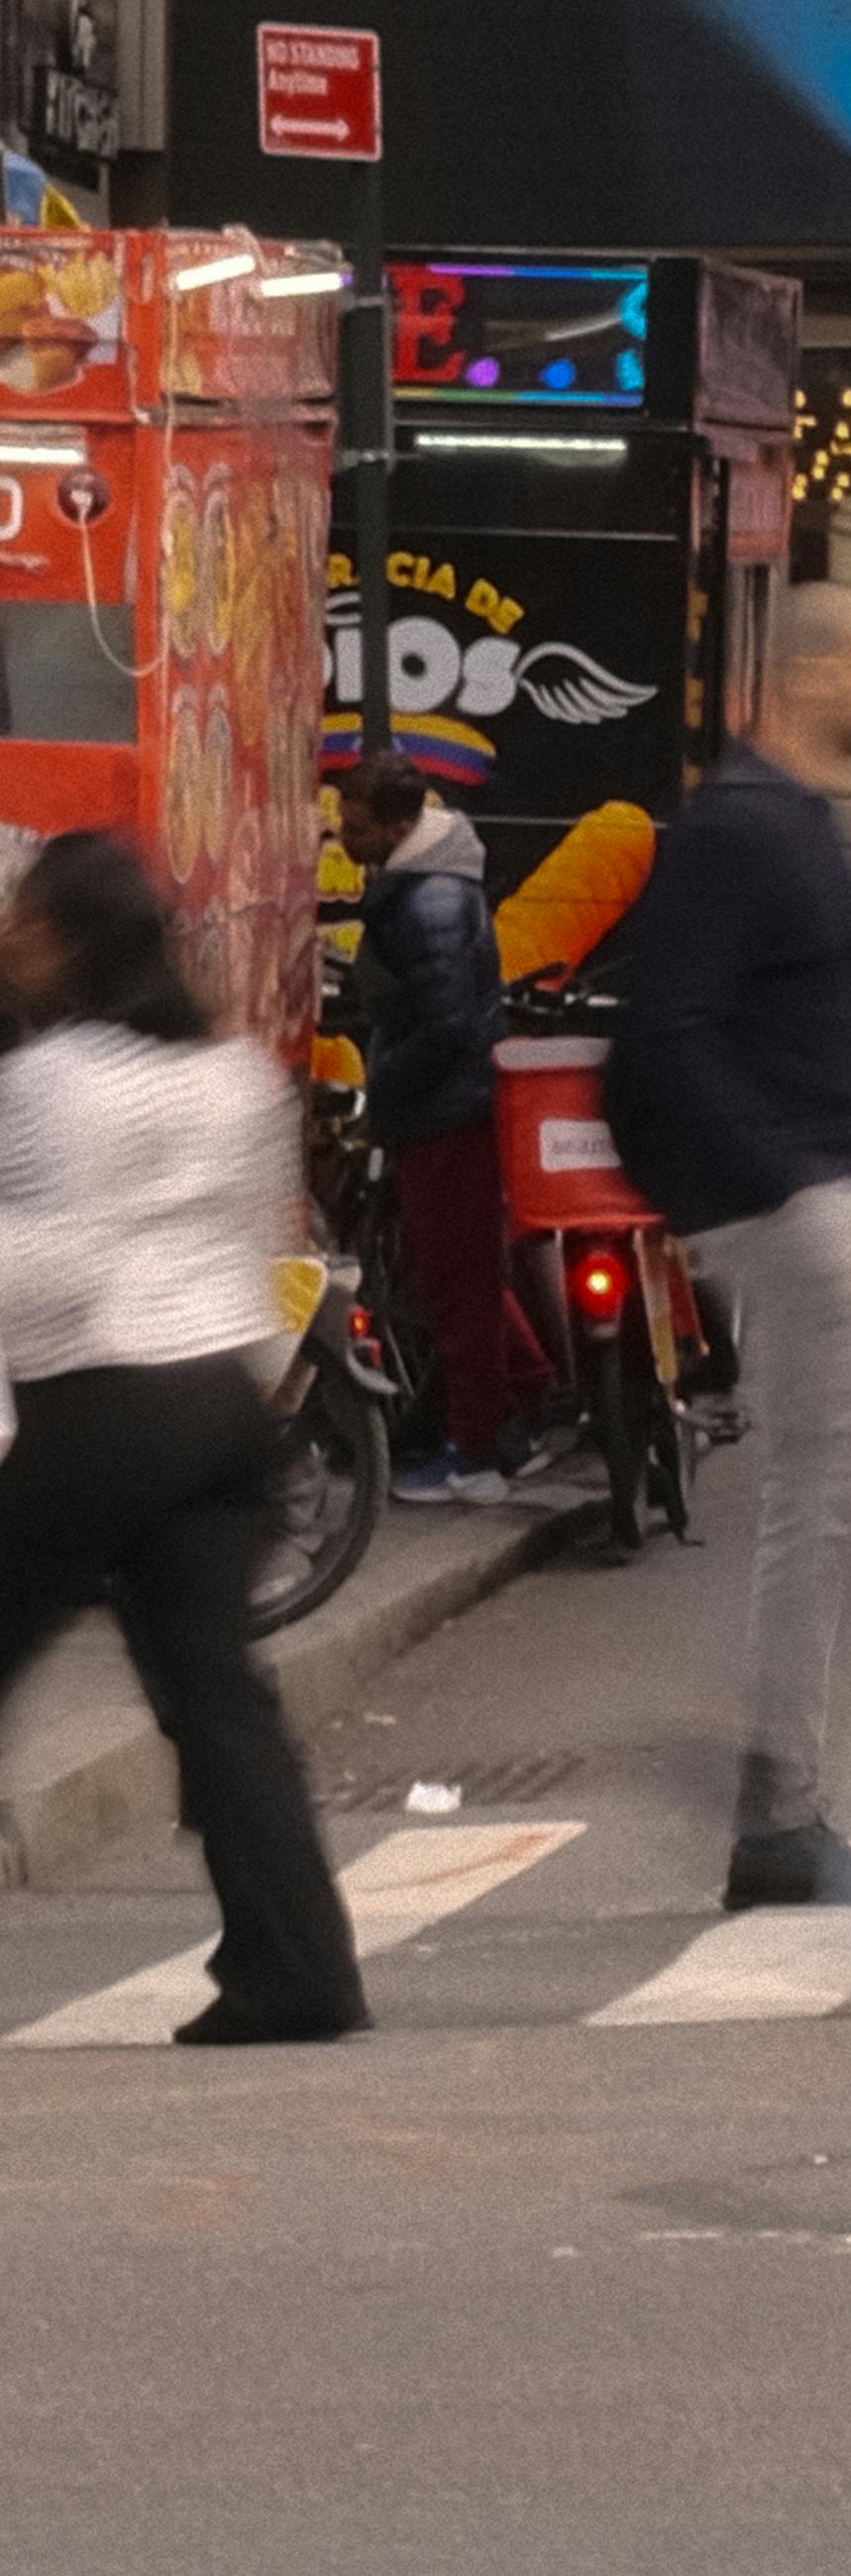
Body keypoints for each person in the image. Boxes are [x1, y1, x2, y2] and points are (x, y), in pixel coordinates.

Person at [605, 590, 851, 1910]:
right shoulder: (741, 827)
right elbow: (668, 1036)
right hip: (793, 1206)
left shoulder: (809, 818)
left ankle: (777, 1808)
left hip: (827, 1196)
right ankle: (764, 1760)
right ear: (806, 674)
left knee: (829, 1495)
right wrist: (799, 1201)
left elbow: (804, 1036)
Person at [0, 833, 370, 2045]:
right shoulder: (234, 1075)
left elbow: (41, 1265)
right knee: (218, 1698)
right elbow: (255, 1249)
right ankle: (296, 1969)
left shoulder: (51, 1079)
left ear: (64, 939)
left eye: (25, 919)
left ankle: (289, 1968)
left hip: (104, 1405)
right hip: (222, 1406)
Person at [333, 758, 555, 1506]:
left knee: (455, 1285)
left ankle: (474, 1452)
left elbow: (447, 1022)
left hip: (446, 1113)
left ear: (398, 824)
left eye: (356, 824)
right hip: (451, 1106)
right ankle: (521, 1405)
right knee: (467, 1276)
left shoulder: (428, 899)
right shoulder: (427, 883)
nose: (343, 833)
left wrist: (380, 1090)